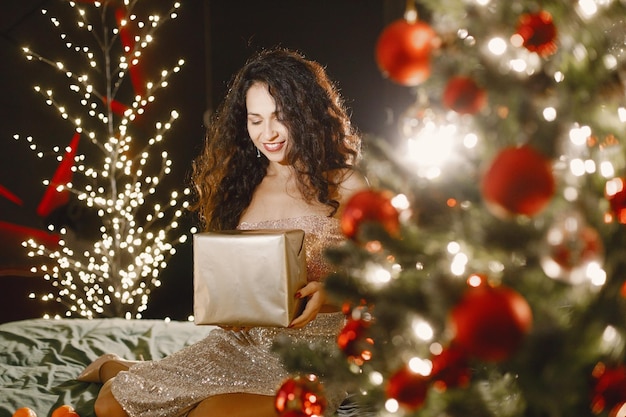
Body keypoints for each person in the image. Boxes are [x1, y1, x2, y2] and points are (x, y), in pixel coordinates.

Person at [81, 47, 368, 417]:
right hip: (242, 342)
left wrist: (332, 294)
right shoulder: (242, 185)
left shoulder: (346, 185)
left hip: (313, 352)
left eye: (280, 117)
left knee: (212, 413)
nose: (268, 134)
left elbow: (388, 279)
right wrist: (231, 305)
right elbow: (239, 277)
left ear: (308, 114)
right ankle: (115, 367)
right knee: (110, 405)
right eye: (255, 120)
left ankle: (131, 369)